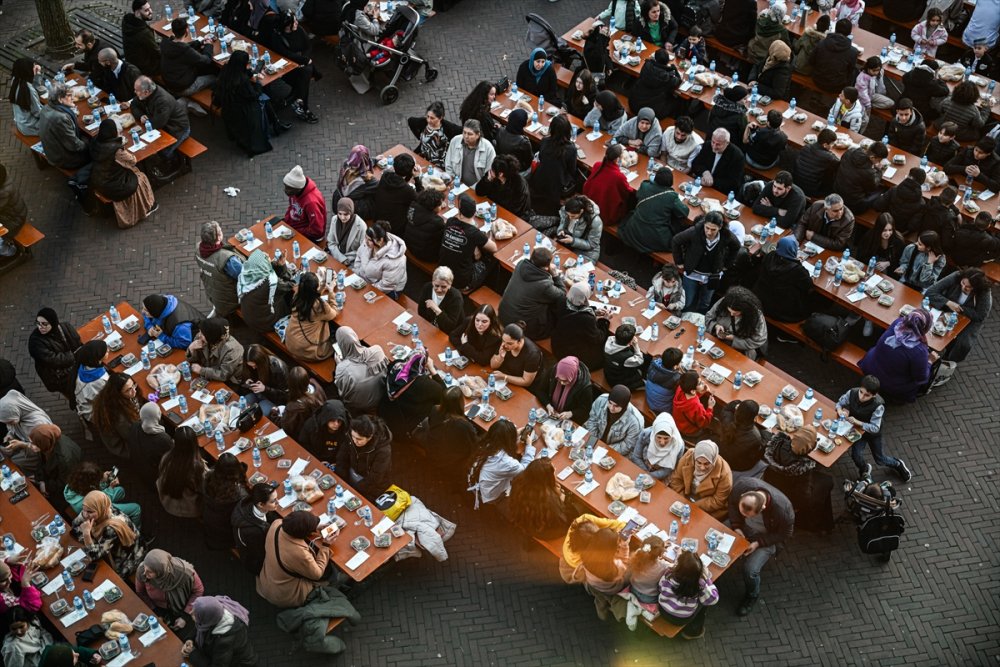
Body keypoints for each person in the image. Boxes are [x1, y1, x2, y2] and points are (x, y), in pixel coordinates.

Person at [760, 406, 834, 532]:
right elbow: (804, 496)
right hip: (787, 495)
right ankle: (818, 523)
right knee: (827, 482)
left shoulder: (776, 444)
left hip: (771, 483)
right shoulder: (802, 469)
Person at [728, 477, 794, 615]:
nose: (745, 516)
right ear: (742, 496)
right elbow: (732, 506)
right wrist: (736, 527)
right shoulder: (741, 486)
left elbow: (785, 534)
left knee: (750, 570)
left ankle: (752, 595)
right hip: (742, 528)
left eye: (749, 515)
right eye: (743, 512)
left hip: (765, 538)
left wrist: (758, 543)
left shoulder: (783, 510)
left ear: (763, 508)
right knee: (714, 534)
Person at [837, 375, 912, 480]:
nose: (861, 397)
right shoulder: (852, 392)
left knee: (880, 459)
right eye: (861, 392)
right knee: (856, 455)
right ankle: (864, 469)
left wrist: (857, 422)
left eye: (866, 395)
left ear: (874, 395)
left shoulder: (878, 406)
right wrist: (841, 411)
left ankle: (898, 464)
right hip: (858, 432)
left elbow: (875, 428)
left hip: (873, 435)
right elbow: (840, 403)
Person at [89, 119, 157, 227]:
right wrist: (122, 145)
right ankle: (146, 207)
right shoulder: (116, 149)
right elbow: (133, 160)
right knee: (140, 177)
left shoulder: (96, 141)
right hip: (112, 184)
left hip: (98, 178)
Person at [257, 511, 331, 608]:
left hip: (266, 583)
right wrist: (325, 546)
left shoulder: (277, 524)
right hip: (284, 596)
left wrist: (314, 527)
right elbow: (317, 574)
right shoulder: (299, 553)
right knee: (329, 574)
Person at [257, 11, 320, 123]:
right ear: (287, 26)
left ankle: (295, 100)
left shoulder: (299, 30)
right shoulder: (277, 37)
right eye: (294, 22)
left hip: (300, 64)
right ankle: (301, 105)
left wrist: (304, 60)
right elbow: (285, 53)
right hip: (286, 67)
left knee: (306, 72)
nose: (297, 23)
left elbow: (308, 46)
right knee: (306, 73)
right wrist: (304, 60)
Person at [671, 212, 741, 313]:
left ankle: (699, 320)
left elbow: (736, 246)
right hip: (693, 272)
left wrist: (726, 264)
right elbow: (676, 240)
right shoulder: (695, 232)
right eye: (707, 228)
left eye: (713, 229)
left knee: (705, 302)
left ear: (720, 227)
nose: (709, 232)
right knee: (687, 301)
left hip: (712, 275)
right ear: (704, 224)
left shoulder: (726, 235)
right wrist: (679, 261)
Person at [859, 310, 934, 403]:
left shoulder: (898, 323)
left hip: (870, 365)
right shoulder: (919, 350)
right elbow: (921, 378)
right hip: (891, 383)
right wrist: (930, 361)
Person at [212, 50, 276, 157]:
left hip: (227, 105)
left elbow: (241, 73)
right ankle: (274, 124)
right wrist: (258, 83)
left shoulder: (227, 69)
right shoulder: (242, 81)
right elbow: (253, 96)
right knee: (264, 100)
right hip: (241, 111)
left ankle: (276, 123)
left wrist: (251, 73)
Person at [71, 489, 145, 578]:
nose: (85, 515)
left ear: (100, 509)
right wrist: (82, 516)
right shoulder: (103, 508)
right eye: (83, 509)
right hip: (114, 546)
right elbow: (74, 526)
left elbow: (93, 555)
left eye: (90, 512)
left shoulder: (111, 529)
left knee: (111, 577)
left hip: (130, 555)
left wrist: (86, 534)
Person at [925, 268, 993, 363]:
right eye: (963, 283)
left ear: (976, 287)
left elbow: (981, 315)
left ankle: (949, 361)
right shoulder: (956, 276)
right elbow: (930, 291)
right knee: (931, 326)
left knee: (964, 343)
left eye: (968, 287)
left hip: (969, 318)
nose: (963, 287)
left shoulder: (984, 291)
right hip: (947, 309)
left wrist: (960, 309)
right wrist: (948, 302)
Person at [499, 247, 566, 340]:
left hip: (504, 315)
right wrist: (555, 275)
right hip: (523, 328)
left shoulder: (520, 264)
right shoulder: (544, 285)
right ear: (547, 266)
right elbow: (562, 294)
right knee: (557, 309)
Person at [467, 419, 535, 510]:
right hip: (489, 496)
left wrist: (513, 435)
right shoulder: (507, 463)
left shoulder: (485, 443)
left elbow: (500, 437)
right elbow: (525, 470)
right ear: (509, 440)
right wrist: (529, 446)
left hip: (474, 482)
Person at [619, 169, 688, 254]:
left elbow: (638, 195)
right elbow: (684, 212)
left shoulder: (644, 186)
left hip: (634, 230)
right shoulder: (671, 196)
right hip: (655, 237)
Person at [439, 194, 496, 293]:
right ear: (474, 214)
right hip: (461, 281)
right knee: (491, 258)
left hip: (442, 272)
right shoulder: (474, 233)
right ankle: (489, 287)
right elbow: (494, 248)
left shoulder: (450, 221)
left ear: (459, 212)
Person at [656, 550, 720, 638]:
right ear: (699, 573)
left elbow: (660, 588)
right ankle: (693, 632)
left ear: (678, 567)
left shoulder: (669, 575)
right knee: (705, 602)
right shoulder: (699, 584)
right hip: (683, 619)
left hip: (663, 611)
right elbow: (713, 599)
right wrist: (707, 578)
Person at [37, 84, 92, 186]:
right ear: (60, 99)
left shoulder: (47, 107)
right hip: (63, 158)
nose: (72, 98)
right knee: (95, 148)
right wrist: (90, 146)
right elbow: (74, 145)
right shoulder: (61, 118)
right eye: (69, 95)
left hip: (52, 151)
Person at [135, 549, 204, 630]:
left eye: (149, 572)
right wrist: (155, 611)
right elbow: (141, 592)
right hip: (158, 607)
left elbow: (198, 591)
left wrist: (185, 616)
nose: (145, 574)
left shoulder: (185, 573)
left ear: (160, 571)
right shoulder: (141, 570)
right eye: (145, 569)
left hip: (183, 608)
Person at [380, 352, 445, 437]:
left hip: (385, 412)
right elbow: (444, 395)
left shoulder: (395, 365)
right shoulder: (425, 384)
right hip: (403, 427)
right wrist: (432, 369)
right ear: (424, 365)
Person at [508, 459, 574, 540]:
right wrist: (561, 499)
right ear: (546, 479)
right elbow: (560, 520)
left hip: (526, 522)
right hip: (547, 532)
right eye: (553, 472)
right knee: (577, 510)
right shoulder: (549, 500)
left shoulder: (519, 482)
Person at [131, 76, 190, 166]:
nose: (135, 92)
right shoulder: (147, 94)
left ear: (146, 92)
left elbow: (157, 123)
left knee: (164, 152)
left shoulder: (162, 101)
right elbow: (133, 105)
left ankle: (175, 165)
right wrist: (141, 116)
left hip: (177, 129)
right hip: (164, 125)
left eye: (137, 90)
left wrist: (147, 122)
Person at [27, 308, 81, 408]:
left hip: (74, 366)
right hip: (58, 377)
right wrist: (75, 356)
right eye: (38, 323)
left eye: (44, 324)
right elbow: (53, 360)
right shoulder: (35, 342)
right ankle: (80, 407)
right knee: (76, 393)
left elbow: (77, 343)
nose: (40, 327)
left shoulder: (65, 327)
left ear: (53, 322)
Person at [183, 596, 258, 666]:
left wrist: (192, 653)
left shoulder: (224, 642)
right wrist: (190, 639)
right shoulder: (215, 614)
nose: (190, 613)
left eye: (196, 614)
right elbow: (201, 625)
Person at [668, 440, 733, 520]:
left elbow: (718, 501)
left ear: (713, 460)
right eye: (699, 463)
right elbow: (676, 479)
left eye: (707, 464)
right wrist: (682, 499)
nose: (702, 468)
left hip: (706, 506)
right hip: (685, 496)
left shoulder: (725, 475)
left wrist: (693, 506)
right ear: (694, 458)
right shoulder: (689, 455)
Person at [64, 462, 142, 528]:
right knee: (136, 509)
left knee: (120, 491)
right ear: (91, 484)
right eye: (97, 480)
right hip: (99, 513)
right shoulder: (85, 501)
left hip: (95, 504)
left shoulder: (72, 485)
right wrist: (111, 487)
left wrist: (104, 480)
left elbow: (93, 490)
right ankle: (135, 534)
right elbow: (102, 500)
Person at [552, 283, 609, 371]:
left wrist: (593, 311)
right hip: (572, 353)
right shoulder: (586, 318)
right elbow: (598, 338)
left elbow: (575, 309)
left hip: (559, 343)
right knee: (604, 352)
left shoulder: (562, 300)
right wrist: (604, 320)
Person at [575, 527, 630, 619]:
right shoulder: (615, 566)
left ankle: (601, 610)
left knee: (600, 597)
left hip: (593, 586)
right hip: (612, 589)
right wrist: (625, 545)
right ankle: (608, 605)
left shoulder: (586, 555)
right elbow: (625, 562)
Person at [754, 236, 812, 323]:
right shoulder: (798, 270)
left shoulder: (770, 256)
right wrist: (798, 262)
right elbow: (808, 285)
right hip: (783, 311)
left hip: (762, 301)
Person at [529, 114, 578, 216]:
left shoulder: (545, 141)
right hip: (558, 185)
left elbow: (541, 158)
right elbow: (572, 171)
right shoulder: (571, 148)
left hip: (539, 180)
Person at [284, 272, 339, 363]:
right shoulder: (319, 306)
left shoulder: (297, 297)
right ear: (314, 289)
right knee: (336, 340)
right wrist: (331, 291)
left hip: (291, 342)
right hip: (307, 351)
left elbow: (310, 297)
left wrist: (322, 287)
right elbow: (333, 313)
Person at [336, 415, 392, 500]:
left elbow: (375, 478)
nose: (354, 441)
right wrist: (341, 479)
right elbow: (342, 457)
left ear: (369, 437)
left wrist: (353, 490)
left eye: (359, 439)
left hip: (370, 484)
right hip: (354, 473)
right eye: (353, 436)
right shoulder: (352, 435)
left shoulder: (383, 451)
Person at [236, 250, 293, 334]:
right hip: (265, 321)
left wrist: (279, 265)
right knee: (290, 296)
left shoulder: (247, 272)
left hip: (249, 314)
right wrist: (284, 266)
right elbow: (290, 285)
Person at [157, 426, 208, 518]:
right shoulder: (197, 468)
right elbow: (204, 488)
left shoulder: (166, 457)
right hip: (187, 509)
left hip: (167, 501)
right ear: (194, 443)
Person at [332, 327, 386, 414]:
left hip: (359, 405)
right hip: (383, 396)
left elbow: (342, 391)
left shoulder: (342, 368)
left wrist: (339, 364)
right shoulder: (377, 350)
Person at [705, 287, 768, 360]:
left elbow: (758, 340)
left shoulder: (756, 316)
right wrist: (715, 326)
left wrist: (734, 339)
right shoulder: (724, 302)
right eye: (729, 311)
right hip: (717, 341)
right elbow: (709, 316)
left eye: (735, 313)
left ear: (745, 310)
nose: (731, 314)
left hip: (741, 350)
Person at [160, 19, 216, 100]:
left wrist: (199, 42)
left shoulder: (166, 42)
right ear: (187, 30)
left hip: (169, 82)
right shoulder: (185, 51)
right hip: (182, 88)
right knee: (214, 77)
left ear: (173, 30)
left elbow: (183, 46)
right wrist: (209, 45)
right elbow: (206, 60)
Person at [231, 483, 280, 575]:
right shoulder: (253, 532)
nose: (278, 502)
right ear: (261, 504)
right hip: (256, 563)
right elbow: (263, 552)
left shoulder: (251, 503)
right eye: (273, 501)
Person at [581, 144, 634, 228]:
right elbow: (628, 191)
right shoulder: (618, 176)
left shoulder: (597, 165)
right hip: (605, 213)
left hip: (590, 206)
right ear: (617, 159)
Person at [90, 372, 141, 459]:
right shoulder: (118, 416)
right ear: (117, 393)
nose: (134, 391)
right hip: (125, 448)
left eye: (133, 386)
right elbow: (132, 435)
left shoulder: (109, 397)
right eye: (128, 390)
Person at [422, 387, 477, 466]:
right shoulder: (462, 424)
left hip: (433, 448)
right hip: (451, 459)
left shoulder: (435, 409)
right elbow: (473, 442)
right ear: (460, 402)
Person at [584, 385, 643, 457]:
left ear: (624, 405)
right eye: (610, 403)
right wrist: (593, 440)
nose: (611, 408)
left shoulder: (635, 422)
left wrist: (605, 449)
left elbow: (627, 445)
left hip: (616, 450)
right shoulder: (601, 400)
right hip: (596, 439)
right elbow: (592, 420)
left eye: (616, 406)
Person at [353, 220, 407, 296]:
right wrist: (358, 275)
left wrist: (367, 288)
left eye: (369, 240)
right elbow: (359, 257)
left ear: (380, 240)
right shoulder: (368, 243)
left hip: (388, 290)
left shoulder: (394, 260)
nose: (365, 242)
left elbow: (386, 285)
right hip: (366, 281)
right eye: (365, 238)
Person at [535, 356, 593, 424]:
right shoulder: (553, 372)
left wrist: (571, 413)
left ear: (573, 376)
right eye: (559, 379)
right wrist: (548, 404)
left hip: (570, 420)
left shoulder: (584, 387)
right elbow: (540, 390)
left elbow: (585, 410)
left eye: (565, 381)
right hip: (552, 412)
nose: (561, 383)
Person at [371, 153, 419, 237]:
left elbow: (398, 183)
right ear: (410, 171)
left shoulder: (385, 176)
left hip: (378, 219)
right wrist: (417, 178)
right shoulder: (407, 190)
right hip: (393, 229)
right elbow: (421, 199)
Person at [714, 399, 765, 476]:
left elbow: (727, 409)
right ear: (755, 418)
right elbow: (756, 456)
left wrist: (738, 403)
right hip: (737, 466)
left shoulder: (727, 419)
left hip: (721, 455)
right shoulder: (755, 437)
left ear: (737, 410)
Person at [689, 128, 745, 196]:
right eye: (713, 142)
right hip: (701, 185)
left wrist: (712, 182)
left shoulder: (737, 157)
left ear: (727, 143)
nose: (714, 146)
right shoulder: (707, 145)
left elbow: (733, 183)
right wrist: (705, 171)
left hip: (720, 191)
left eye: (718, 144)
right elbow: (695, 163)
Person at [629, 412, 684, 481]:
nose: (662, 442)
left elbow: (668, 470)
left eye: (666, 438)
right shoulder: (646, 435)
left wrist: (649, 476)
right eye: (659, 437)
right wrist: (645, 472)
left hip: (661, 477)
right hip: (642, 467)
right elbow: (636, 456)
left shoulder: (678, 446)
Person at [280, 165, 327, 245]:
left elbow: (317, 230)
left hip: (307, 237)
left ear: (298, 188)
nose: (285, 190)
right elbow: (292, 207)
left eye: (288, 188)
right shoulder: (294, 193)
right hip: (294, 228)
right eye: (285, 186)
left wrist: (295, 232)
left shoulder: (311, 202)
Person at [475, 154, 532, 220]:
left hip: (514, 217)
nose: (490, 171)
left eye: (493, 170)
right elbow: (479, 192)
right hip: (492, 211)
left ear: (501, 174)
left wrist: (494, 209)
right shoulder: (492, 176)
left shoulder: (519, 184)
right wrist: (487, 180)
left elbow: (514, 209)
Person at [811, 18, 860, 94]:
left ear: (835, 29)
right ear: (849, 33)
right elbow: (850, 71)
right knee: (856, 71)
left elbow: (811, 60)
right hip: (837, 86)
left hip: (817, 80)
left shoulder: (822, 43)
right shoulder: (853, 52)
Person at [128, 402, 172, 485]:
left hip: (142, 470)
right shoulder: (162, 438)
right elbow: (173, 456)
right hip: (158, 478)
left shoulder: (135, 426)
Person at [626, 49, 679, 119]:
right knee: (676, 100)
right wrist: (674, 69)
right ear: (667, 61)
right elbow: (678, 81)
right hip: (651, 113)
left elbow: (654, 66)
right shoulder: (668, 77)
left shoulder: (647, 66)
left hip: (634, 104)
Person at [239, 344, 289, 415]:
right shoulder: (250, 366)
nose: (253, 368)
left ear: (261, 362)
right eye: (251, 366)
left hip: (271, 399)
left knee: (259, 415)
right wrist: (246, 384)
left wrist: (265, 389)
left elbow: (284, 395)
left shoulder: (277, 368)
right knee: (242, 407)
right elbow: (243, 384)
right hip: (256, 394)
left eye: (255, 366)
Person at [490, 323, 544, 388]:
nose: (505, 345)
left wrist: (504, 376)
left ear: (520, 341)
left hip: (524, 386)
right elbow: (492, 366)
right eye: (503, 341)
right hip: (507, 379)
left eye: (510, 343)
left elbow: (526, 382)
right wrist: (500, 357)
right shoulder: (505, 343)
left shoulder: (532, 354)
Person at [445, 119, 496, 188]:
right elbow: (448, 164)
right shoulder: (455, 141)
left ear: (478, 135)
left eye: (470, 134)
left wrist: (472, 189)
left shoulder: (488, 149)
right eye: (464, 132)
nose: (466, 136)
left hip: (476, 189)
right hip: (455, 185)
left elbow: (488, 176)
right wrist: (453, 180)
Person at [298, 399, 351, 464]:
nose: (336, 424)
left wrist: (337, 463)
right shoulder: (312, 425)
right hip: (315, 458)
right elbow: (304, 444)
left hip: (336, 461)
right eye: (332, 420)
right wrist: (316, 460)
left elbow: (346, 450)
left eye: (339, 421)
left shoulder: (346, 428)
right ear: (326, 418)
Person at [281, 367, 326, 441]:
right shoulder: (315, 385)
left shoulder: (295, 407)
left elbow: (286, 427)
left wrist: (275, 413)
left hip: (302, 436)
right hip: (317, 429)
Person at [793, 128, 840, 198]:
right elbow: (838, 163)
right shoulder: (829, 157)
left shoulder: (806, 147)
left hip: (795, 182)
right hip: (811, 190)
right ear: (825, 145)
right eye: (832, 144)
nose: (833, 145)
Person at [555, 195, 603, 263]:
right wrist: (561, 230)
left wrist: (573, 241)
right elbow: (562, 222)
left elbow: (592, 244)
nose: (570, 218)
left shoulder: (595, 221)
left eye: (573, 216)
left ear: (581, 211)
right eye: (568, 215)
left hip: (587, 252)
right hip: (569, 243)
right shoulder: (566, 210)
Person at [418, 266, 464, 334]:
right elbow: (421, 311)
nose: (439, 290)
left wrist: (437, 310)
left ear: (450, 285)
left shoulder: (456, 298)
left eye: (443, 287)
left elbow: (450, 326)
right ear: (433, 282)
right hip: (431, 325)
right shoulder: (427, 288)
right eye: (436, 285)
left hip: (448, 332)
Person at [409, 101, 455, 168]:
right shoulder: (423, 122)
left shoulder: (448, 128)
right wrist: (419, 136)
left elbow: (461, 132)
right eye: (428, 116)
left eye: (432, 118)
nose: (428, 120)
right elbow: (410, 121)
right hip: (423, 156)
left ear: (440, 118)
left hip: (439, 163)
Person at [404, 188, 444, 264]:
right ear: (433, 207)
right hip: (426, 255)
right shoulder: (437, 222)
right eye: (439, 205)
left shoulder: (412, 208)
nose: (441, 207)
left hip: (410, 246)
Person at [72, 341, 107, 423]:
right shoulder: (99, 381)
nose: (108, 351)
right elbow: (109, 397)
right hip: (96, 415)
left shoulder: (84, 366)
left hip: (88, 404)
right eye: (106, 351)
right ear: (98, 358)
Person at [122, 0, 160, 75]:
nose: (151, 11)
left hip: (133, 60)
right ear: (137, 13)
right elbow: (157, 52)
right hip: (145, 67)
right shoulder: (144, 33)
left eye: (150, 8)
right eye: (146, 10)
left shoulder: (127, 21)